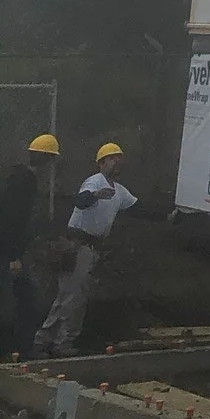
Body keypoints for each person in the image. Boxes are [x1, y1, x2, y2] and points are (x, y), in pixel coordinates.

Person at [32, 142, 138, 358]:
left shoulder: (119, 191)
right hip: (77, 245)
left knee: (74, 297)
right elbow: (81, 201)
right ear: (101, 163)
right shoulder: (94, 181)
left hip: (90, 248)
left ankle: (55, 342)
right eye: (111, 158)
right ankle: (47, 342)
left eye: (118, 158)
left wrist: (174, 215)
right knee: (70, 296)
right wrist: (97, 195)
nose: (116, 161)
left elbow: (139, 208)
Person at [0, 134, 59, 356]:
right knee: (19, 301)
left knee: (25, 299)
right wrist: (13, 255)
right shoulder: (23, 182)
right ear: (45, 159)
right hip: (7, 252)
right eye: (51, 159)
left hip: (10, 250)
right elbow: (10, 219)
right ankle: (14, 350)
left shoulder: (19, 178)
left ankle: (19, 349)